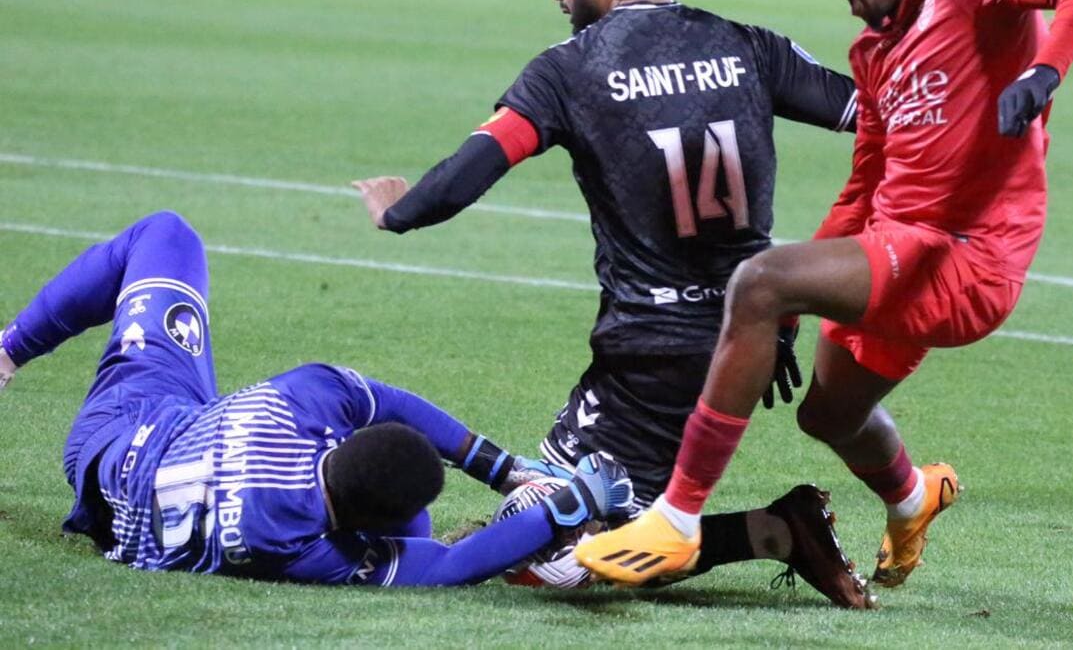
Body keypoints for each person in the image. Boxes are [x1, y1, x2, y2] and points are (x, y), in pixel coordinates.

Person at [576, 0, 1073, 589]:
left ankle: (676, 520)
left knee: (759, 279)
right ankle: (913, 496)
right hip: (897, 250)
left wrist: (1045, 71)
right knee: (830, 413)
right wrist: (794, 308)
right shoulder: (875, 55)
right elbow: (864, 185)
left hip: (964, 257)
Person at [351, 0, 872, 607]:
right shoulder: (749, 45)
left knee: (550, 548)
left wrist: (397, 210)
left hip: (650, 352)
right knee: (584, 515)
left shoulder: (569, 71)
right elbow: (871, 114)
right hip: (746, 338)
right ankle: (748, 523)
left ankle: (778, 530)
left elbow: (474, 166)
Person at [0, 211, 633, 585]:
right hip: (136, 473)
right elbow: (445, 566)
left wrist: (539, 490)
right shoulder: (306, 548)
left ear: (341, 439)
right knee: (414, 530)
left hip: (124, 429)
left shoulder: (297, 401)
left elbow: (388, 403)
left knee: (165, 233)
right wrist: (556, 508)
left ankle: (7, 352)